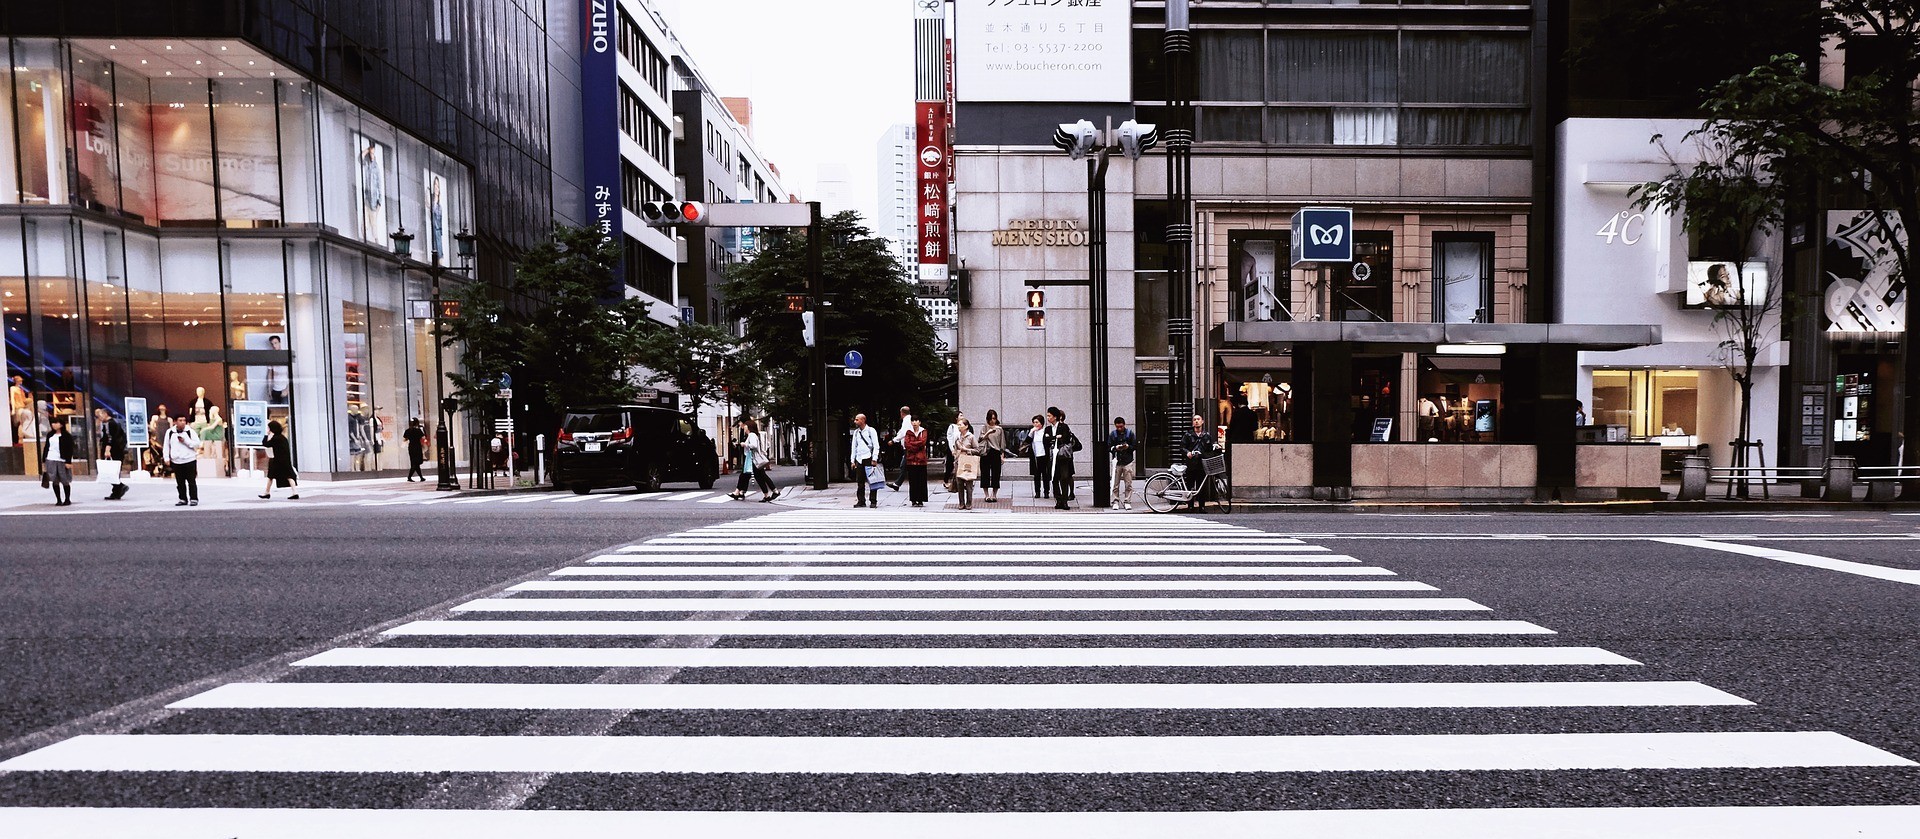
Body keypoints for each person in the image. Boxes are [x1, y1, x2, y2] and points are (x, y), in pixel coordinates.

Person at [163, 414, 203, 507]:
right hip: (176, 460)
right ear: (175, 422)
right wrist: (166, 457)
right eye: (180, 420)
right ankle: (182, 498)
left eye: (184, 420)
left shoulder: (190, 431)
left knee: (191, 481)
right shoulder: (170, 432)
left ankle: (193, 498)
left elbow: (197, 444)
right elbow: (166, 446)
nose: (182, 422)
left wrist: (186, 441)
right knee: (180, 482)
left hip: (189, 459)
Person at [1182, 413, 1220, 510]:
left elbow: (1210, 449)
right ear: (1192, 423)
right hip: (1191, 463)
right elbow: (1182, 447)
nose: (1196, 421)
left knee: (1201, 485)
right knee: (1190, 485)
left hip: (1202, 464)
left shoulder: (1206, 436)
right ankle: (1190, 506)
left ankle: (1201, 506)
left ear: (1202, 422)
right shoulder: (1188, 435)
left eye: (1198, 419)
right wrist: (1187, 453)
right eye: (1194, 420)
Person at [1043, 407, 1078, 510]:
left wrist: (1053, 439)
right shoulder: (1048, 429)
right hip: (1052, 457)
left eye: (1049, 415)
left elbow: (1066, 438)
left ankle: (1064, 500)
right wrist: (1055, 438)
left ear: (1055, 416)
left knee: (1064, 478)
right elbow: (1045, 441)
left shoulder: (1064, 426)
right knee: (1054, 478)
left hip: (1063, 457)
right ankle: (1058, 500)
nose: (1048, 417)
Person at [95, 407, 129, 501]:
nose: (99, 417)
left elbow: (110, 438)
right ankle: (116, 491)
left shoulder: (110, 424)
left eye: (100, 414)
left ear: (106, 414)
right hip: (117, 450)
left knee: (110, 471)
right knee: (113, 472)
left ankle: (119, 487)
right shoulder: (114, 423)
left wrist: (107, 450)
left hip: (113, 450)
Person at [259, 419, 299, 499]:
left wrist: (266, 435)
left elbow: (266, 444)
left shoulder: (275, 438)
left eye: (269, 428)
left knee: (270, 476)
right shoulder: (283, 438)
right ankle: (295, 492)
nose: (268, 430)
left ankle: (267, 492)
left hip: (277, 461)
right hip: (285, 460)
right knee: (289, 476)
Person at [849, 413, 881, 508]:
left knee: (872, 481)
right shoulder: (856, 433)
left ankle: (873, 500)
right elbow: (854, 447)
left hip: (869, 457)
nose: (855, 421)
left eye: (857, 419)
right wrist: (852, 460)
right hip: (859, 458)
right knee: (860, 481)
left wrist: (874, 458)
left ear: (863, 420)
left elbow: (876, 445)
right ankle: (861, 500)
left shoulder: (871, 431)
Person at [42, 416, 76, 506]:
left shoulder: (66, 436)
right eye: (52, 423)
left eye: (56, 423)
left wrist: (68, 461)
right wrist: (44, 459)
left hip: (62, 459)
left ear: (61, 424)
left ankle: (67, 499)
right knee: (54, 480)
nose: (54, 425)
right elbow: (46, 447)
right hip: (50, 458)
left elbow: (70, 449)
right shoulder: (50, 435)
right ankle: (58, 499)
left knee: (65, 480)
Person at [1108, 416, 1138, 511]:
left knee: (1128, 483)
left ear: (1124, 425)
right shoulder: (1113, 435)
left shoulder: (1130, 434)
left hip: (1127, 461)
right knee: (1115, 484)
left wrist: (1128, 447)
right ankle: (1115, 501)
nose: (1119, 428)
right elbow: (1109, 447)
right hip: (1117, 461)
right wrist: (1115, 448)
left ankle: (1127, 501)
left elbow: (1135, 446)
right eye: (1117, 427)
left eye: (1121, 426)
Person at [902, 416, 930, 507]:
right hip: (911, 459)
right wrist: (916, 445)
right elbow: (907, 444)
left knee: (921, 480)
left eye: (916, 420)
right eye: (913, 421)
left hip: (921, 460)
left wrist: (913, 444)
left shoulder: (923, 431)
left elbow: (923, 442)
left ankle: (921, 499)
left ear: (919, 422)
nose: (914, 422)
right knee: (912, 480)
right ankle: (913, 499)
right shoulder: (908, 432)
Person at [979, 409, 1006, 503]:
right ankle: (986, 495)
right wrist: (988, 432)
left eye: (994, 418)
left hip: (995, 452)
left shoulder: (999, 429)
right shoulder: (984, 428)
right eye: (990, 418)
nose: (992, 420)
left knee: (996, 473)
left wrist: (1002, 455)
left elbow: (1002, 443)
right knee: (985, 473)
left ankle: (994, 494)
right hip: (986, 452)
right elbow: (980, 439)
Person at [952, 416, 979, 510]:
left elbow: (977, 450)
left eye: (960, 425)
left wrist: (967, 450)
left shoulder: (971, 437)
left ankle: (969, 502)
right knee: (959, 483)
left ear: (966, 426)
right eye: (958, 425)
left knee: (968, 484)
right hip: (959, 462)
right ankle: (961, 502)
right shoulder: (957, 437)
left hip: (968, 462)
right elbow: (955, 449)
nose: (959, 427)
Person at [888, 405, 913, 490]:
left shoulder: (907, 420)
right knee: (904, 466)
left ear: (902, 413)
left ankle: (897, 484)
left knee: (904, 465)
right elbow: (901, 432)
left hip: (908, 446)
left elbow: (903, 433)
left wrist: (894, 440)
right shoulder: (909, 420)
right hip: (908, 446)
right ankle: (897, 484)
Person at [204, 406, 229, 476]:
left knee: (219, 454)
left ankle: (223, 468)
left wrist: (203, 429)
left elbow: (212, 427)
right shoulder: (212, 419)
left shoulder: (218, 419)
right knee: (208, 444)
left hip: (219, 437)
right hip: (214, 437)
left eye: (211, 410)